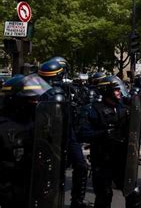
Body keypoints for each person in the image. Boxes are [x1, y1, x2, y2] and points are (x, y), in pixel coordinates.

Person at [79, 76, 141, 207]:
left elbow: (135, 129)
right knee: (104, 194)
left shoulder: (124, 108)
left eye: (119, 89)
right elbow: (83, 133)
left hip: (121, 158)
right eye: (116, 90)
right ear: (107, 91)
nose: (119, 92)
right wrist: (103, 134)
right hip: (103, 158)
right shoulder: (93, 109)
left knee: (133, 192)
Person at [38, 58, 93, 208]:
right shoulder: (43, 92)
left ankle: (77, 201)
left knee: (80, 165)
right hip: (50, 135)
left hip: (69, 133)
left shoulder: (68, 89)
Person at [0, 74, 52, 208]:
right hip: (8, 191)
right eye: (31, 99)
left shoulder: (37, 122)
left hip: (33, 187)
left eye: (36, 98)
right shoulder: (3, 127)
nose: (36, 102)